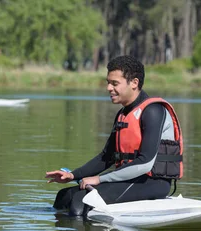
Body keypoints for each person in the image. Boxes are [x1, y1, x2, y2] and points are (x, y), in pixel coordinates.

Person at [45, 55, 183, 216]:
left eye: (114, 83)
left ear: (134, 83)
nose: (109, 88)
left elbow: (145, 163)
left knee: (80, 202)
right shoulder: (123, 114)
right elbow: (107, 157)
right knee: (64, 196)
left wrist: (99, 179)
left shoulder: (153, 111)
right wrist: (72, 175)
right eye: (108, 82)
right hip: (128, 180)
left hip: (153, 183)